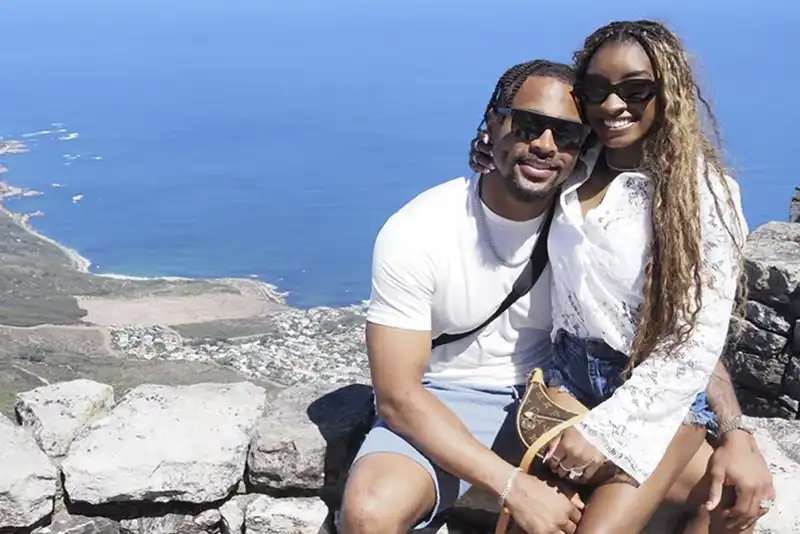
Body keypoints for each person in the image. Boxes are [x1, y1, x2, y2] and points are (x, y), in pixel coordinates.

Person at [469, 20, 775, 534]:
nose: (612, 105)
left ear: (669, 91)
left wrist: (609, 432)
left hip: (656, 393)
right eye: (596, 90)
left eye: (636, 90)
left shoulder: (702, 193)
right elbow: (522, 153)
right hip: (568, 377)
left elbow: (695, 338)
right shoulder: (576, 161)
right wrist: (486, 147)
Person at [340, 60, 593, 534]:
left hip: (558, 398)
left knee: (717, 488)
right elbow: (397, 396)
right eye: (528, 125)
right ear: (493, 124)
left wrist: (732, 431)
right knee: (370, 513)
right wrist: (514, 487)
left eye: (566, 134)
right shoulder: (419, 229)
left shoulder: (593, 223)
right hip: (447, 397)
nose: (545, 144)